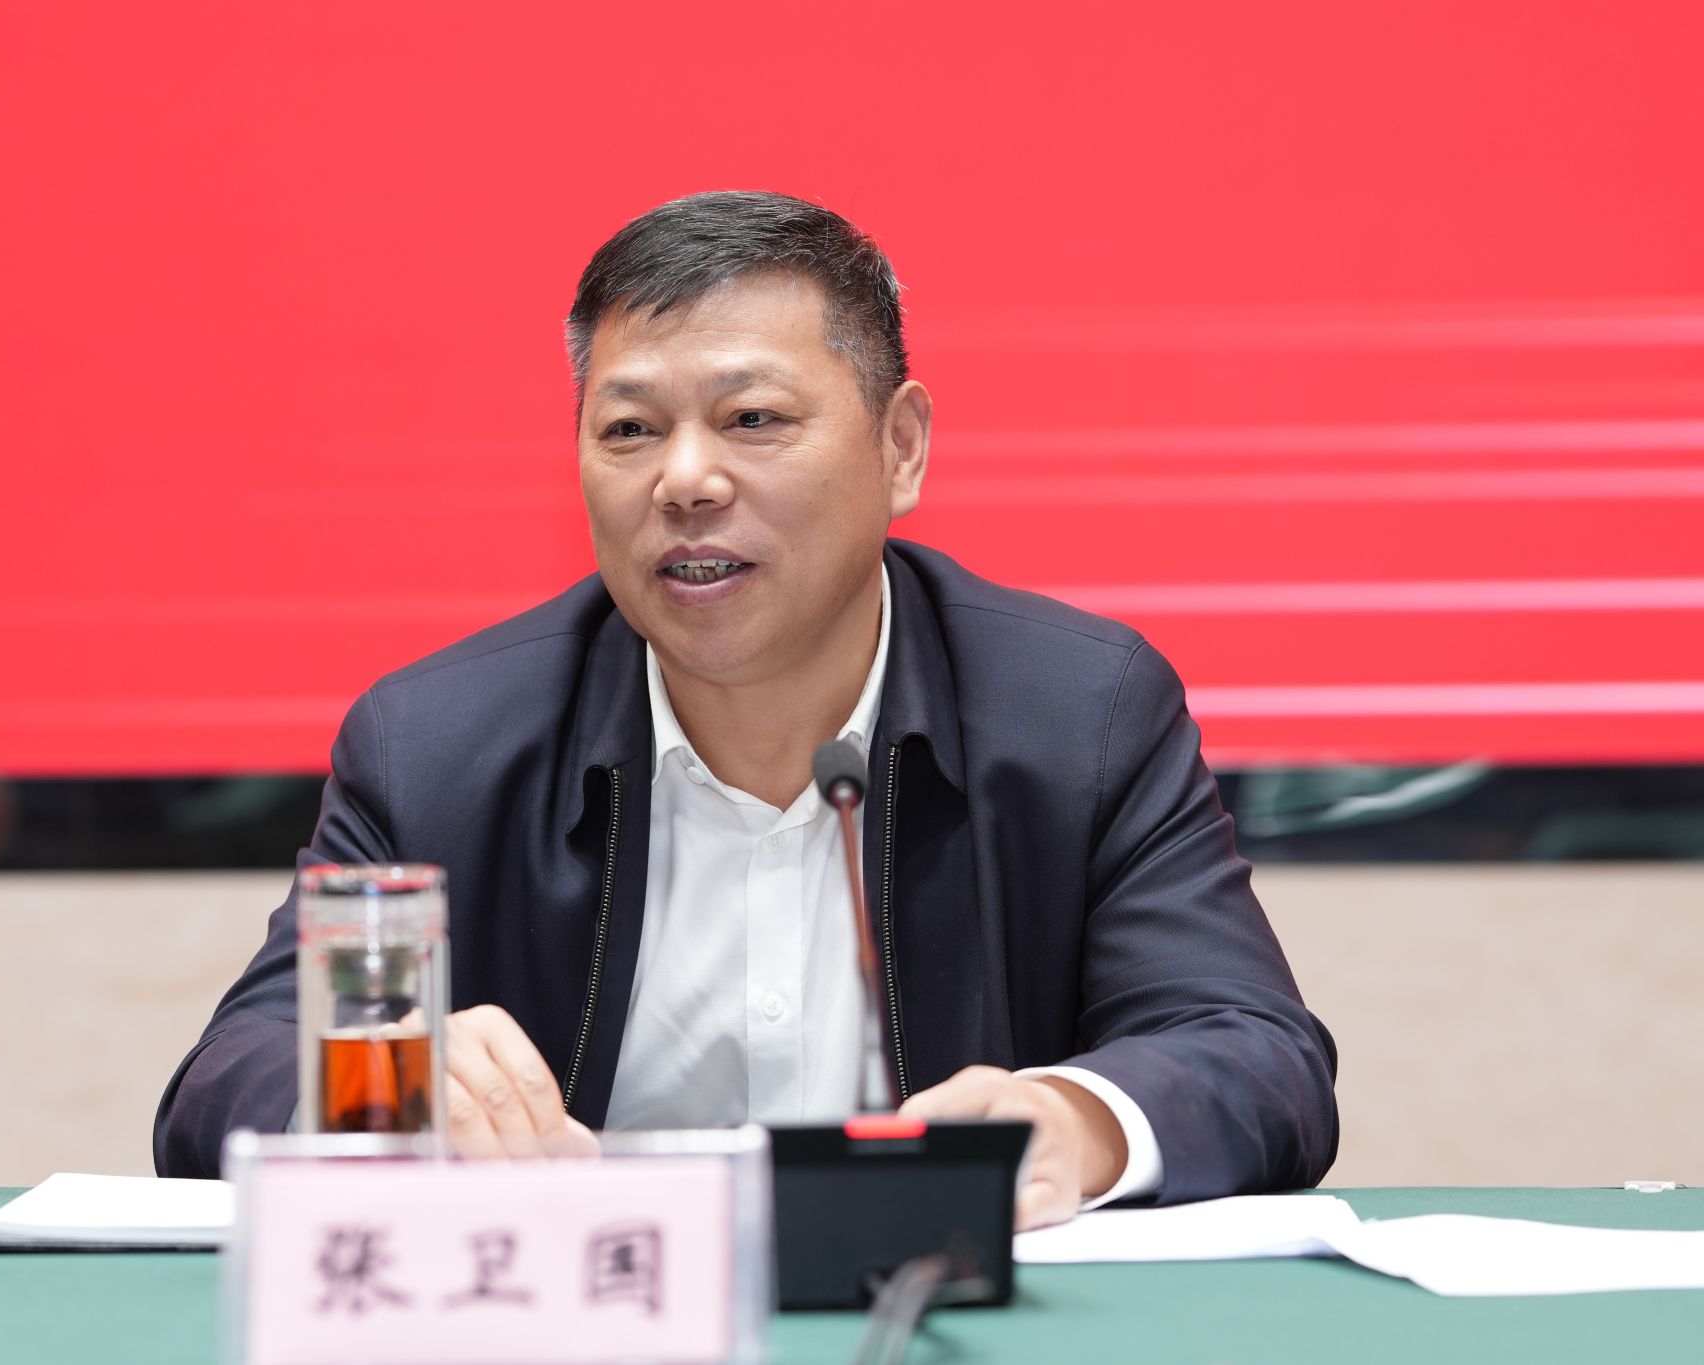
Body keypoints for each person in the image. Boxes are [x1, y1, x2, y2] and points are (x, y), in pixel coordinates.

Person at [155, 191, 1338, 1227]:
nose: (683, 480)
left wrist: (1071, 1123)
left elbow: (1252, 1053)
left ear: (899, 448)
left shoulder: (1076, 715)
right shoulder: (436, 747)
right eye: (628, 430)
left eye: (751, 419)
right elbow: (229, 1078)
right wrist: (390, 1086)